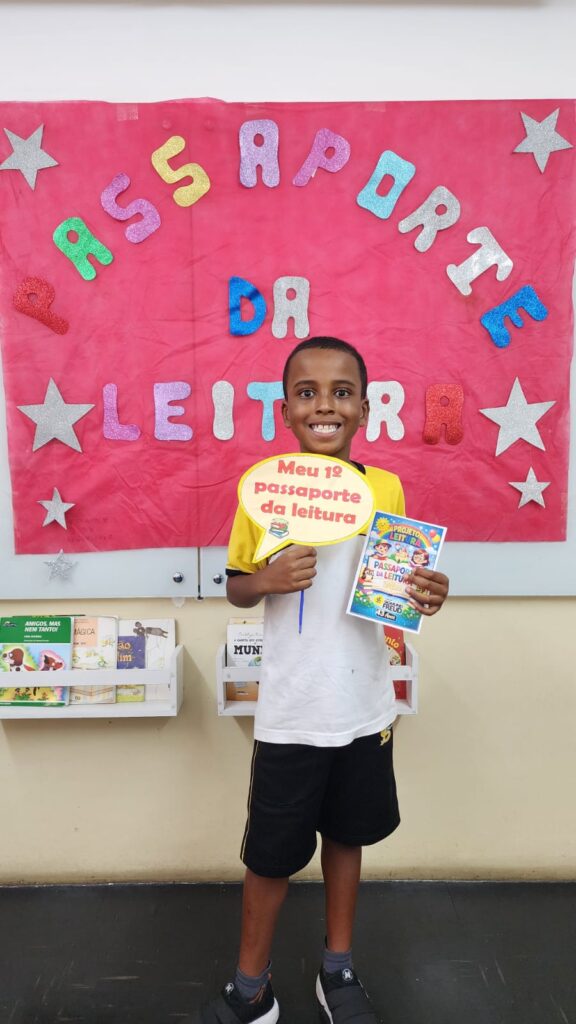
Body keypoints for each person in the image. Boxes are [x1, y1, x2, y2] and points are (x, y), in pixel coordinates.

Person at [194, 337, 449, 1024]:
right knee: (270, 857)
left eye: (341, 392)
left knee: (347, 836)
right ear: (285, 410)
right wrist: (266, 579)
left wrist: (426, 591)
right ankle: (250, 988)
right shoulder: (262, 491)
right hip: (292, 709)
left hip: (364, 705)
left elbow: (399, 585)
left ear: (364, 408)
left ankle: (337, 971)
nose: (324, 405)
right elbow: (236, 586)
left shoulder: (385, 488)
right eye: (307, 393)